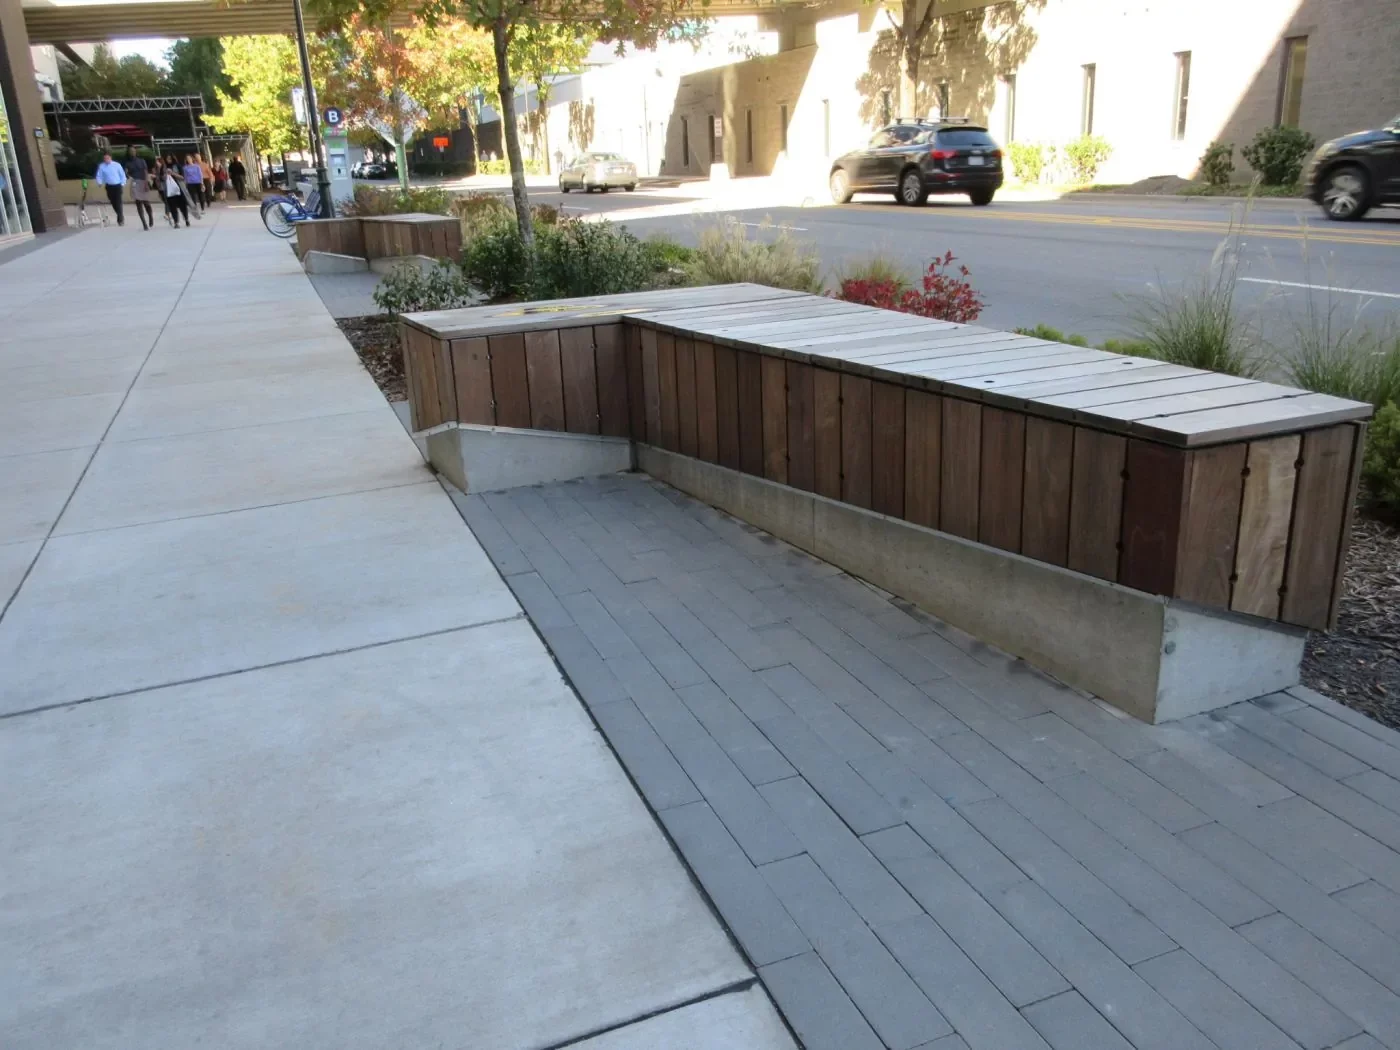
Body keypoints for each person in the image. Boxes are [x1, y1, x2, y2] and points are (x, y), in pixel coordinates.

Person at [124, 146, 154, 231]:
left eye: (133, 151)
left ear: (136, 152)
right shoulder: (128, 163)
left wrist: (146, 182)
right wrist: (127, 175)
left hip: (143, 182)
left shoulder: (142, 161)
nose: (132, 152)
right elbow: (126, 173)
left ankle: (150, 216)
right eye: (130, 151)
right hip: (135, 183)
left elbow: (145, 172)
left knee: (146, 203)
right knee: (138, 203)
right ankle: (144, 223)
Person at [94, 150, 126, 226]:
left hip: (117, 185)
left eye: (107, 158)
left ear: (110, 157)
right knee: (113, 202)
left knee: (118, 202)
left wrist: (122, 183)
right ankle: (120, 215)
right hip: (109, 186)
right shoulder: (102, 166)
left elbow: (122, 175)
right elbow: (99, 175)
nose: (106, 160)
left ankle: (120, 219)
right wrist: (99, 182)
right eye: (105, 158)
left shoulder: (117, 165)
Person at [162, 154, 190, 227]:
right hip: (169, 190)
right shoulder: (164, 167)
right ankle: (176, 222)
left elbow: (182, 177)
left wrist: (172, 173)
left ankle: (186, 219)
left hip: (179, 189)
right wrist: (166, 175)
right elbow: (161, 178)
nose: (169, 160)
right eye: (167, 159)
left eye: (170, 159)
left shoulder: (177, 166)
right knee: (172, 206)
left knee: (182, 206)